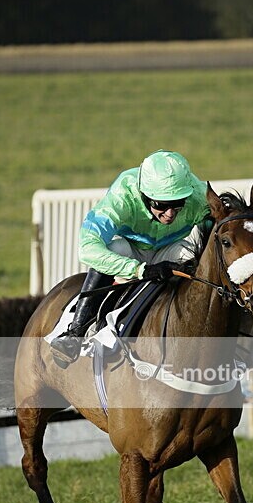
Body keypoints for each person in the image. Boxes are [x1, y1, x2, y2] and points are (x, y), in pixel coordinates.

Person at [51, 150, 212, 365]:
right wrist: (139, 270)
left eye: (177, 204)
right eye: (161, 205)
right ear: (144, 194)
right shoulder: (123, 194)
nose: (170, 213)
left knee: (198, 257)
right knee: (115, 247)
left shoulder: (199, 196)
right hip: (130, 250)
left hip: (169, 249)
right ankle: (76, 332)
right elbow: (87, 248)